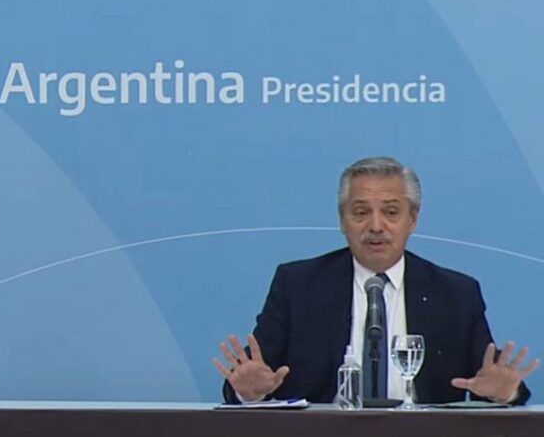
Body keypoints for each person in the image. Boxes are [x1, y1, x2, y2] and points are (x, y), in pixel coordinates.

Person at [213, 157, 538, 404]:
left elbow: (485, 381)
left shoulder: (455, 294)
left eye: (391, 212)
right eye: (360, 212)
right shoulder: (298, 286)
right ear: (342, 220)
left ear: (413, 219)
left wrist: (504, 391)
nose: (376, 226)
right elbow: (253, 378)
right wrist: (249, 391)